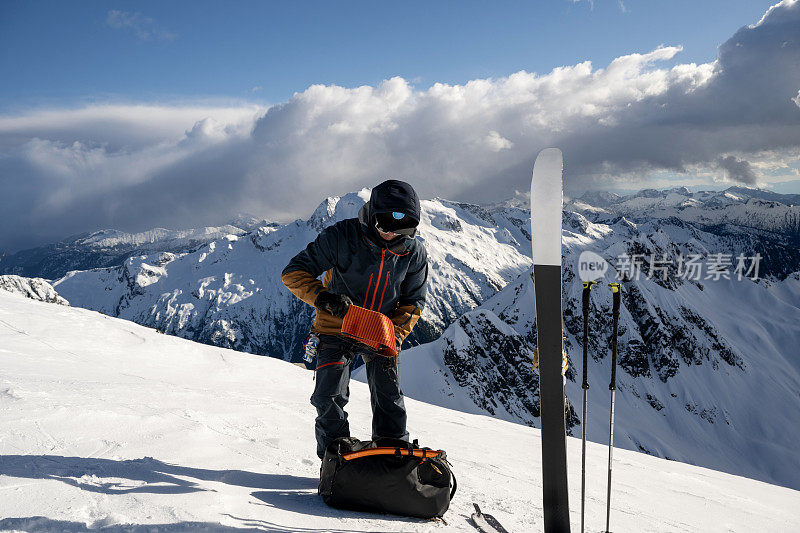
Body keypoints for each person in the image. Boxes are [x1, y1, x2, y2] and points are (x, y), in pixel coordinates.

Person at [281, 179, 428, 460]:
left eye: (404, 229)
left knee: (389, 399)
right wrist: (324, 298)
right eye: (385, 226)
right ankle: (335, 460)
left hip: (380, 330)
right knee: (328, 396)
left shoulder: (414, 253)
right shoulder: (342, 237)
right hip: (337, 327)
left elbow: (413, 301)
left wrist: (394, 334)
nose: (391, 234)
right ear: (372, 216)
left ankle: (391, 459)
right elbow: (294, 273)